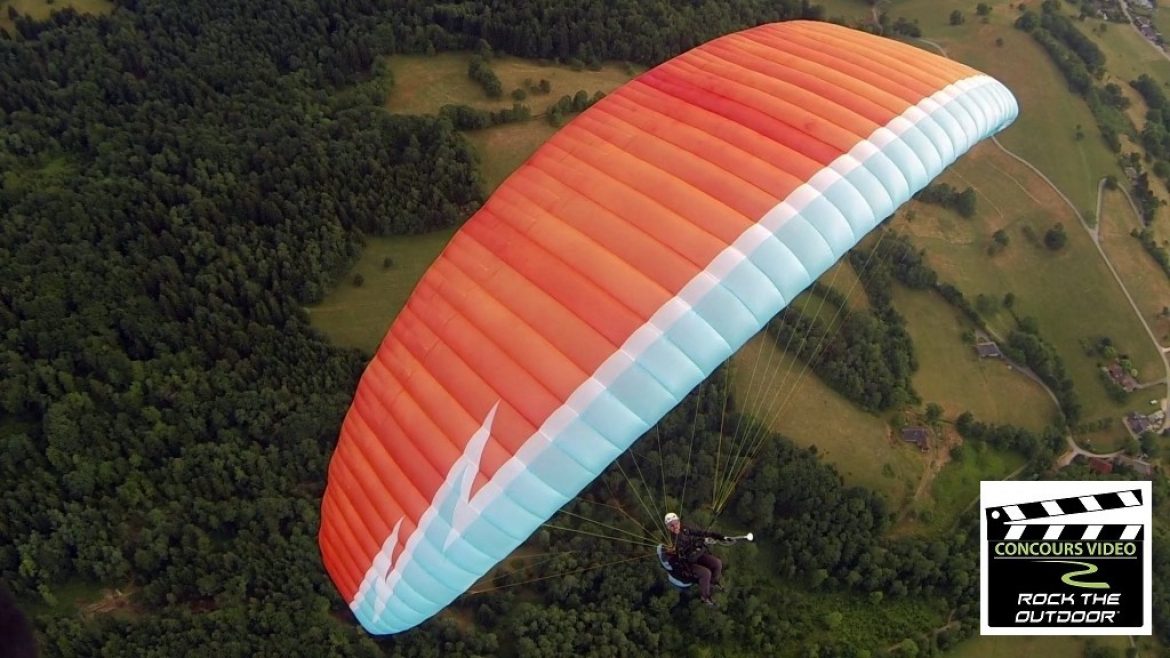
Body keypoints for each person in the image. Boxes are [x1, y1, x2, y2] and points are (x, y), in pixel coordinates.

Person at [664, 512, 726, 606]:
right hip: (685, 565)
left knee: (717, 563)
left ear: (679, 522)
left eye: (676, 523)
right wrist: (704, 544)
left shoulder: (684, 530)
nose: (675, 526)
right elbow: (690, 558)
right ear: (668, 528)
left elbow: (699, 533)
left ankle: (712, 582)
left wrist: (715, 535)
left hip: (695, 554)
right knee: (706, 573)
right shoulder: (671, 542)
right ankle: (705, 597)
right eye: (671, 525)